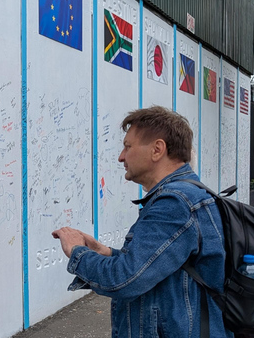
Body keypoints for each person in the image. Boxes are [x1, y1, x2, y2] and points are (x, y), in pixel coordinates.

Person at [52, 106, 231, 337]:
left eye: (128, 146)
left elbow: (125, 280)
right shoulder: (187, 195)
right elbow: (156, 268)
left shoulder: (175, 204)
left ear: (157, 150)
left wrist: (77, 252)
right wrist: (104, 252)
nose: (121, 157)